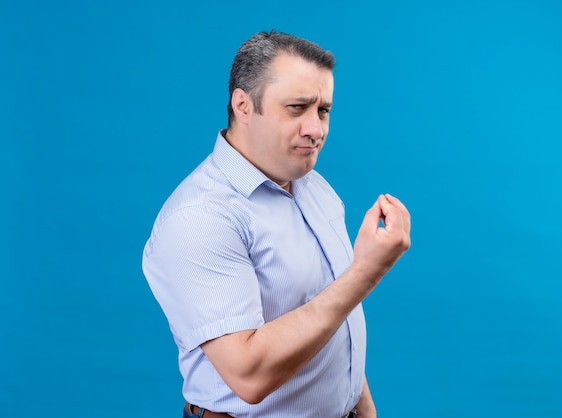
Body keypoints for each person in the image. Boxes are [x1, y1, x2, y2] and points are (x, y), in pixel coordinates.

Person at [142, 30, 411, 418]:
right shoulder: (200, 217)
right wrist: (366, 272)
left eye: (323, 110)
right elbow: (249, 376)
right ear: (243, 106)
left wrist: (364, 411)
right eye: (297, 107)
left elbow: (331, 321)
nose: (316, 129)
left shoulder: (314, 187)